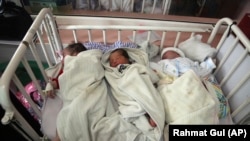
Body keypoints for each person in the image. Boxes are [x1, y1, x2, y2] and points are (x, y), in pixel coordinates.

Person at [108, 48, 157, 128]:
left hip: (136, 81)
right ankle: (144, 114)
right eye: (111, 61)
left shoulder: (134, 66)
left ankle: (151, 113)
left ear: (127, 58)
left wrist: (150, 73)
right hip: (124, 87)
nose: (114, 61)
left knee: (146, 94)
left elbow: (145, 71)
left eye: (117, 58)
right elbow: (113, 80)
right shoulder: (112, 72)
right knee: (132, 100)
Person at [151, 47, 216, 78]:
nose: (165, 57)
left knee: (200, 73)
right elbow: (158, 68)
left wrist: (209, 63)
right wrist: (152, 67)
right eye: (164, 56)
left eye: (167, 54)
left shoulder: (186, 60)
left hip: (192, 76)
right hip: (173, 79)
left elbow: (198, 67)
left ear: (178, 54)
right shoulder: (163, 62)